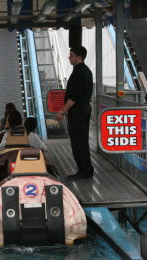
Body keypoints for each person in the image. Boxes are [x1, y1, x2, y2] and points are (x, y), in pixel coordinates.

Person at [55, 46, 94, 180]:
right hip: (84, 109)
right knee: (82, 141)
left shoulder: (79, 72)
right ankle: (86, 170)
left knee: (78, 142)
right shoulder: (86, 71)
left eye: (71, 55)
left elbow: (74, 96)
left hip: (78, 111)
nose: (69, 57)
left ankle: (84, 171)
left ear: (78, 57)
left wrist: (63, 111)